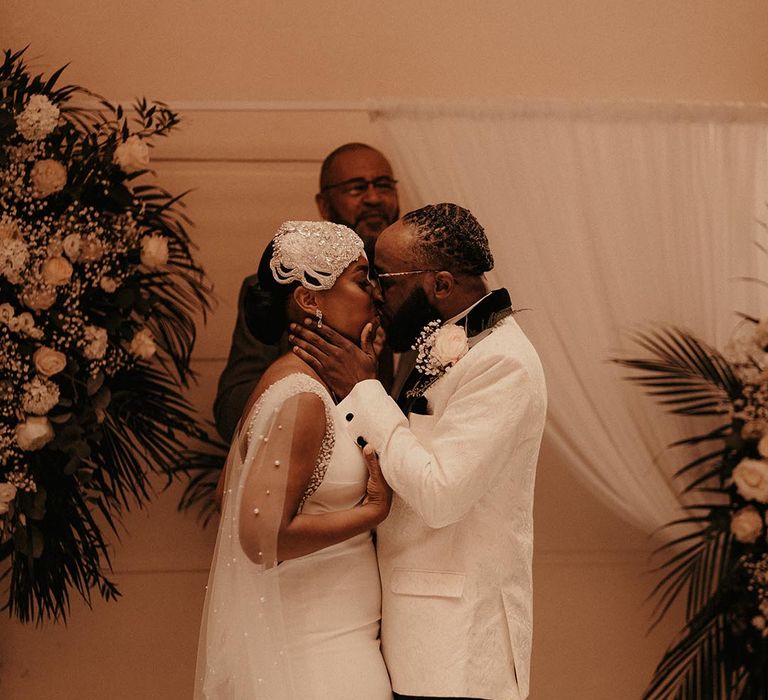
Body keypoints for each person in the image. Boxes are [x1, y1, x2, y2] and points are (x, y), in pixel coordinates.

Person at [290, 203, 547, 700]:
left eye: (385, 278)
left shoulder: (504, 363)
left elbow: (440, 493)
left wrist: (365, 390)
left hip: (459, 650)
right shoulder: (443, 343)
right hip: (418, 639)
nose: (376, 294)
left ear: (442, 285)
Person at [195, 221, 393, 699]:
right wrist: (370, 513)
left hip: (337, 638)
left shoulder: (301, 382)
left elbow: (229, 491)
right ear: (310, 299)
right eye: (361, 279)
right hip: (320, 655)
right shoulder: (301, 396)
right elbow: (262, 538)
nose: (375, 295)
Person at [213, 143, 400, 443]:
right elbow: (229, 413)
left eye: (383, 185)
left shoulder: (409, 287)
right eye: (356, 188)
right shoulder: (278, 287)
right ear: (324, 205)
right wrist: (320, 369)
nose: (374, 198)